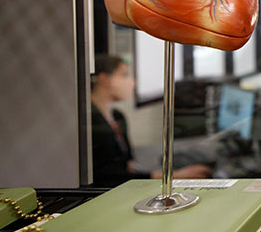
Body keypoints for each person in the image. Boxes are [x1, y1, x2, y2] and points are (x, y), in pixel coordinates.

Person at [90, 54, 212, 187]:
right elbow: (107, 177)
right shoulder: (91, 121)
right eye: (124, 75)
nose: (131, 81)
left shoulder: (118, 117)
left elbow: (127, 167)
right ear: (104, 79)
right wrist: (172, 176)